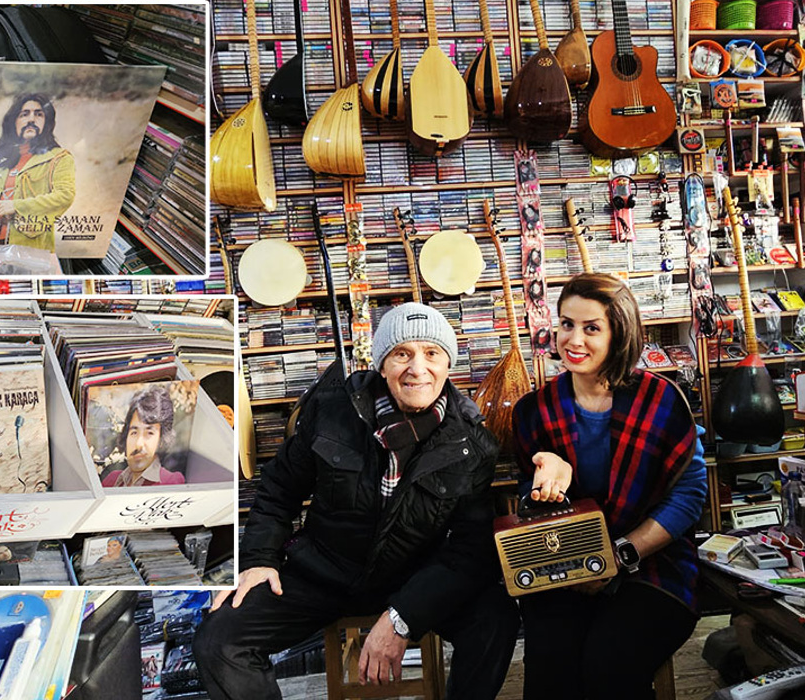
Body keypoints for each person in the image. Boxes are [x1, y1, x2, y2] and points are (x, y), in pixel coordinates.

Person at [193, 302, 519, 700]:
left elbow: (468, 553)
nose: (418, 368)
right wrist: (260, 557)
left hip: (414, 578)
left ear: (448, 365)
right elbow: (279, 488)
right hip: (323, 573)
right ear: (382, 365)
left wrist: (403, 618)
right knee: (220, 638)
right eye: (402, 354)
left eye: (432, 354)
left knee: (495, 618)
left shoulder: (473, 444)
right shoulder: (331, 411)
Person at [512, 273, 707, 700]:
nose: (573, 339)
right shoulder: (535, 411)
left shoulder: (661, 399)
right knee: (551, 668)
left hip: (654, 565)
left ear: (620, 332)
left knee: (609, 664)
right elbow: (532, 513)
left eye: (591, 327)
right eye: (566, 324)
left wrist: (618, 557)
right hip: (567, 566)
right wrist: (546, 477)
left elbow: (688, 496)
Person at [0, 93, 75, 253]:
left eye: (39, 114)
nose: (31, 119)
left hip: (31, 249)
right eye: (24, 114)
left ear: (46, 122)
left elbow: (64, 195)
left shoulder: (59, 158)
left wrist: (15, 206)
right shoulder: (3, 167)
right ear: (14, 122)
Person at [100, 386, 186, 487]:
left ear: (161, 440)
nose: (138, 444)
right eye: (134, 432)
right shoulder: (112, 480)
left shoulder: (170, 482)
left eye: (149, 433)